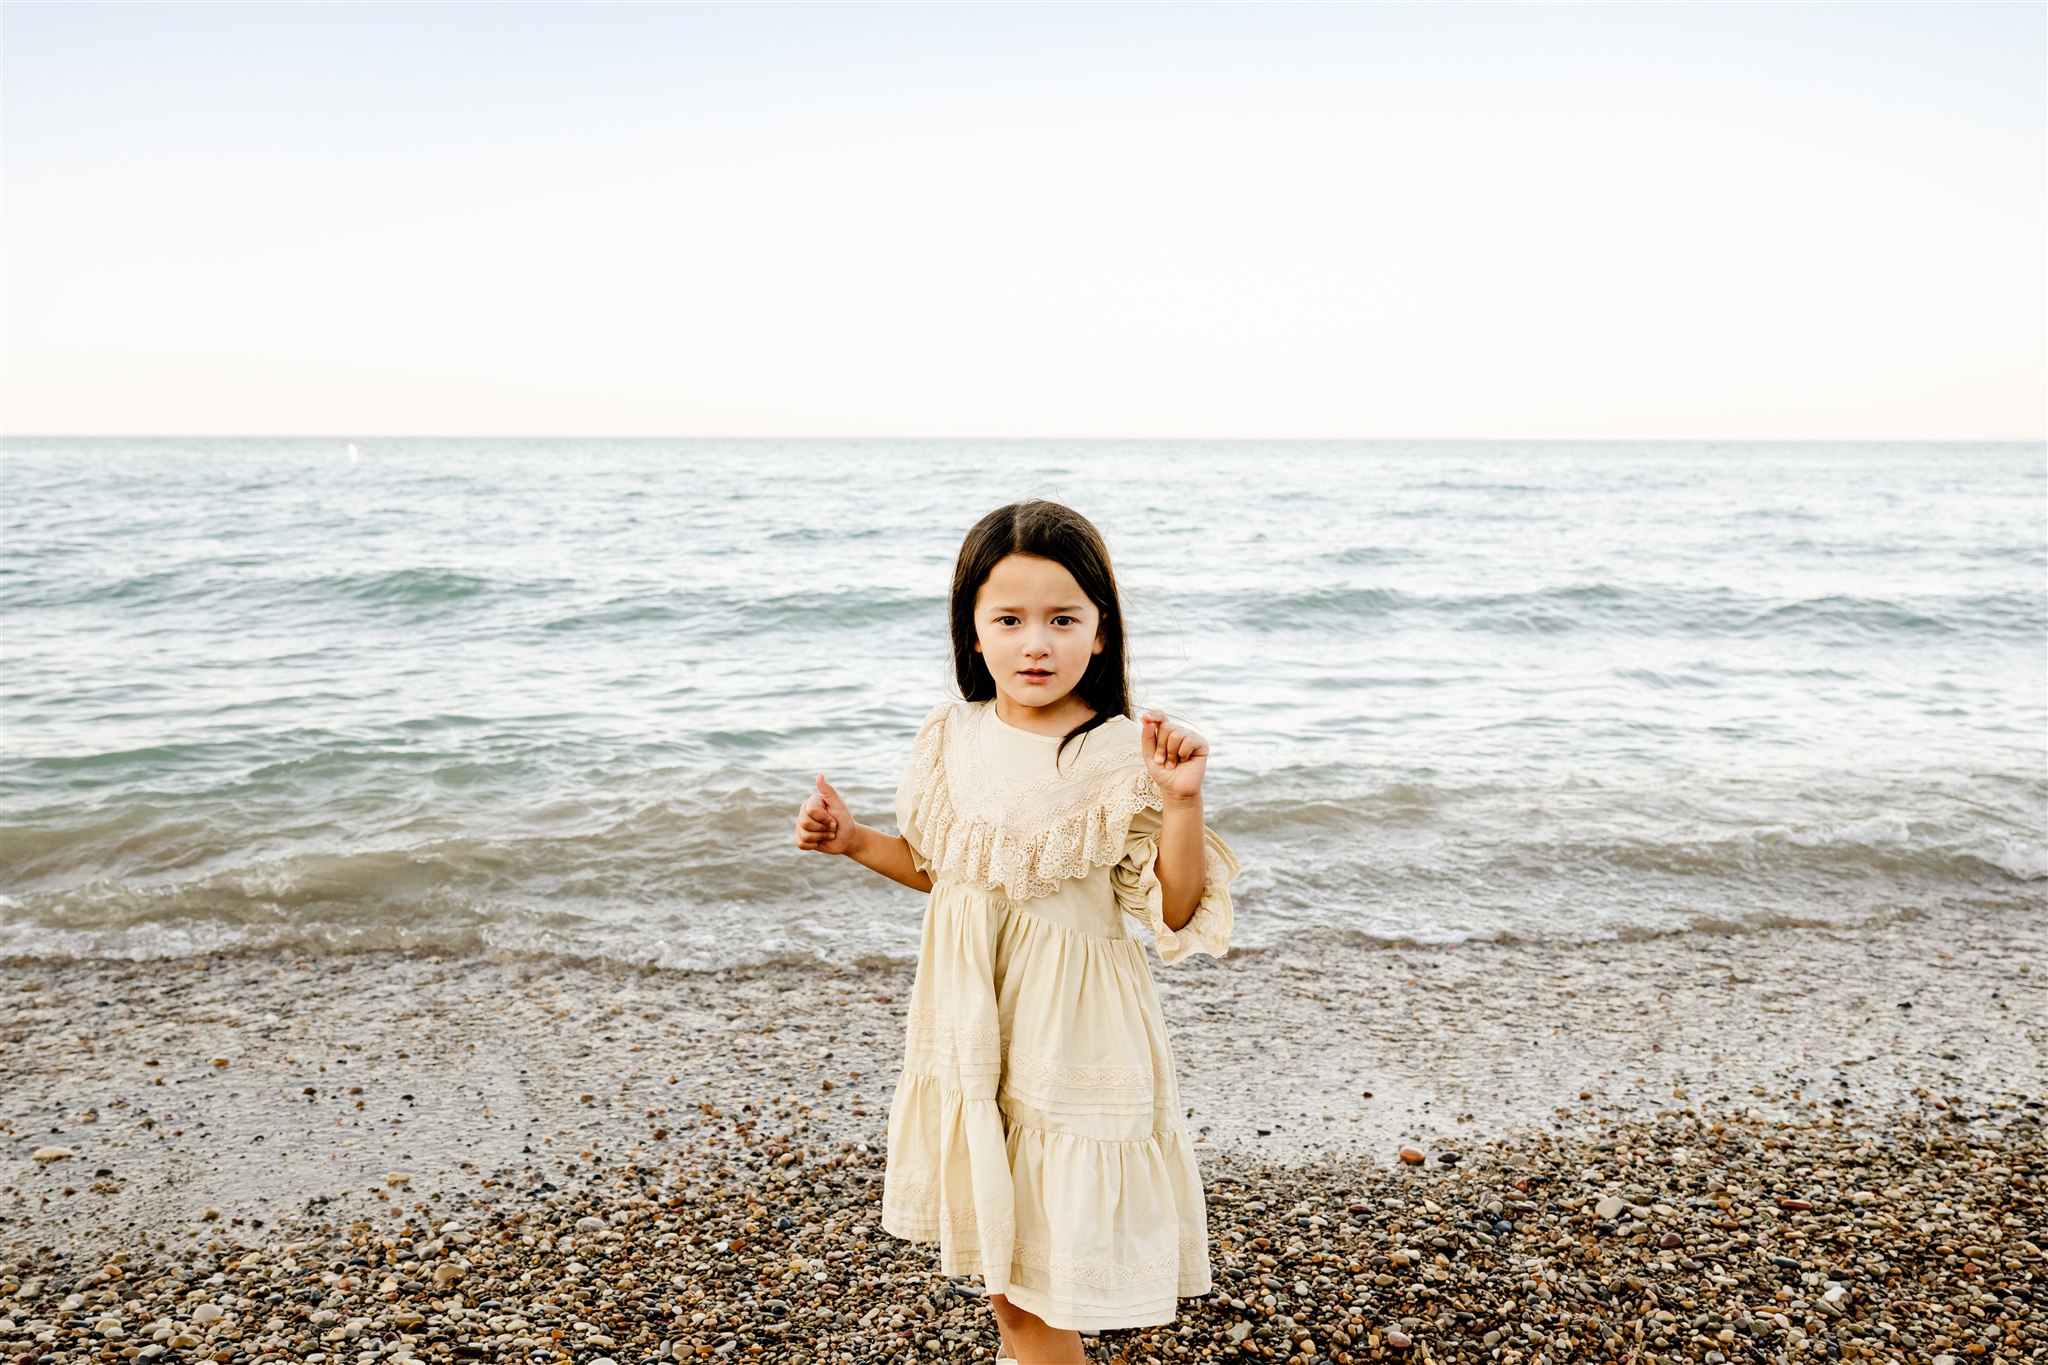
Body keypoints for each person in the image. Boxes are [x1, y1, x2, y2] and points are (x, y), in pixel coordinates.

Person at [792, 498, 1242, 1364]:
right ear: (973, 633)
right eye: (1010, 619)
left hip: (1068, 1036)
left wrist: (1182, 802)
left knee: (1035, 1283)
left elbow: (1175, 908)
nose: (1036, 642)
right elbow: (941, 869)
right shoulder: (949, 737)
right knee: (1010, 1280)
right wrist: (851, 841)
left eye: (1063, 618)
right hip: (972, 1026)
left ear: (1102, 632)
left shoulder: (1122, 756)